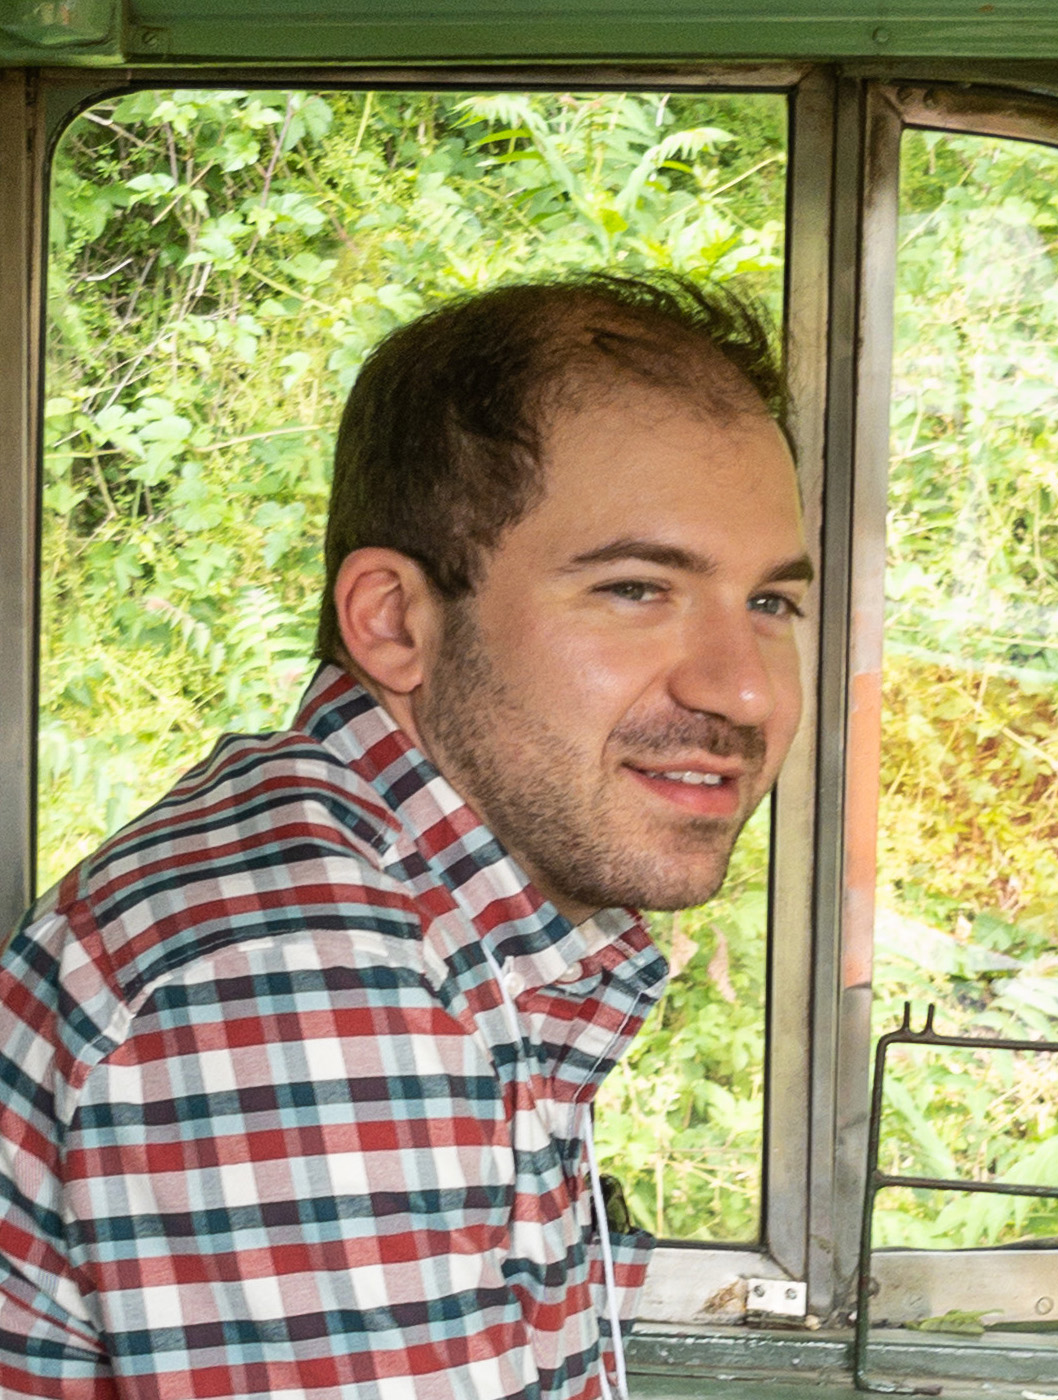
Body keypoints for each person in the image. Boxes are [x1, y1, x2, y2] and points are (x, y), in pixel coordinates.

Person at [0, 274, 811, 1400]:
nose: (743, 690)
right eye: (636, 588)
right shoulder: (293, 976)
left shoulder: (445, 924)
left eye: (770, 604)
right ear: (392, 620)